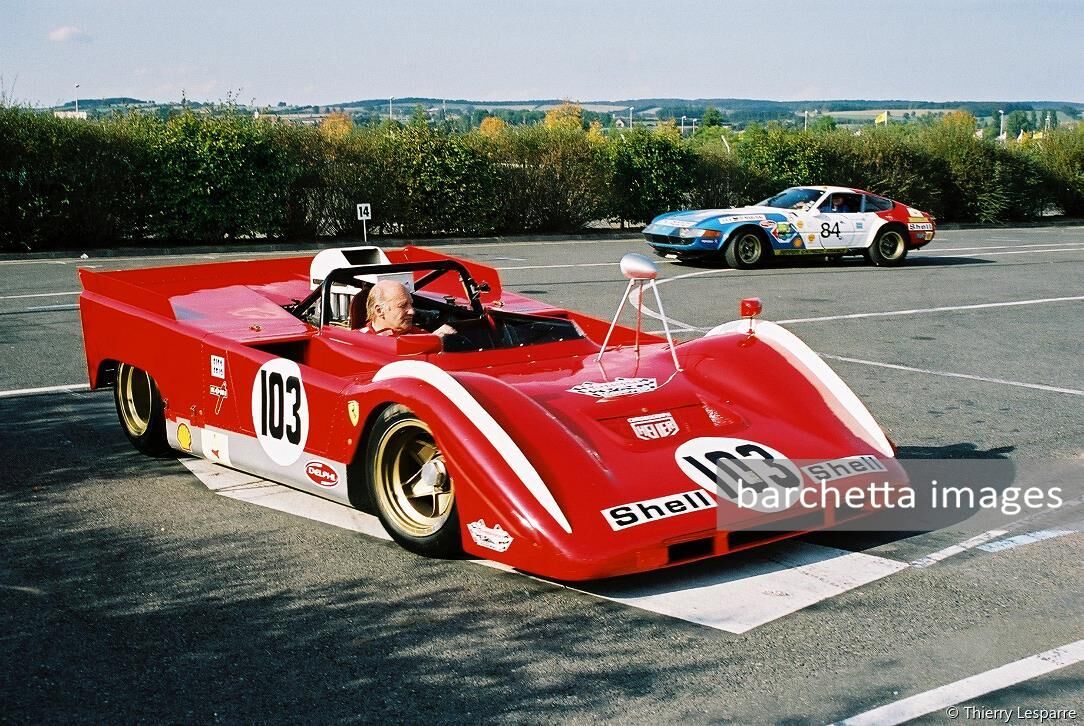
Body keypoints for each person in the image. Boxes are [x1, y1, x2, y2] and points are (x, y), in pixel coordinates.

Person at [357, 280, 456, 338]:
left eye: (411, 305)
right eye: (403, 305)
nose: (412, 311)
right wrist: (432, 341)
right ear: (379, 311)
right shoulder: (358, 342)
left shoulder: (418, 333)